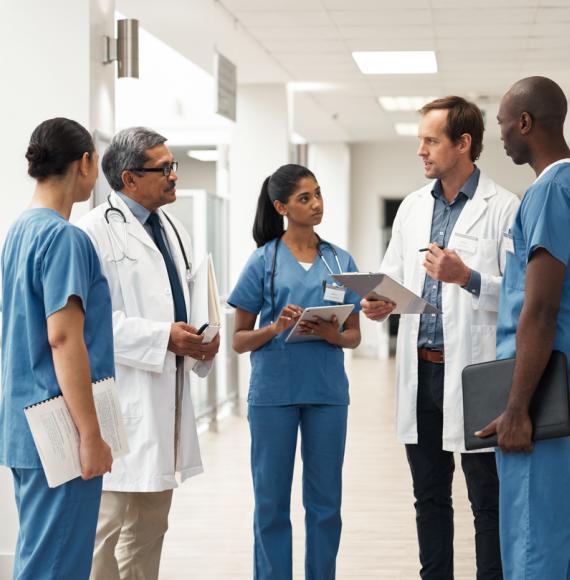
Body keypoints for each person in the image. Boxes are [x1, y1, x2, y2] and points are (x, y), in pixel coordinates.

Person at [361, 97, 520, 579]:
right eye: (420, 141)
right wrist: (379, 302)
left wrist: (467, 276)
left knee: (486, 500)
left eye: (431, 140)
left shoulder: (504, 207)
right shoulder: (412, 208)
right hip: (421, 370)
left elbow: (519, 294)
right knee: (429, 497)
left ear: (463, 143)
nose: (421, 151)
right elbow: (393, 274)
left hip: (476, 374)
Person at [77, 127, 220, 580]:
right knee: (106, 529)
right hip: (120, 400)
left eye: (172, 166)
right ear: (129, 178)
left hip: (165, 398)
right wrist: (162, 338)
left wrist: (203, 341)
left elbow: (188, 298)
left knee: (151, 526)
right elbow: (90, 325)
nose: (174, 176)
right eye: (164, 169)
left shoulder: (173, 228)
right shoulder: (93, 232)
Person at [228, 164, 361, 579]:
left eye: (318, 194)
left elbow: (354, 335)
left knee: (326, 504)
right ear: (282, 206)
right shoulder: (262, 261)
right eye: (305, 198)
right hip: (273, 396)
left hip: (326, 394)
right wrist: (276, 327)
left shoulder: (340, 259)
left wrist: (330, 332)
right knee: (270, 502)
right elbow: (238, 340)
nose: (317, 204)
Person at [0, 117, 114, 579]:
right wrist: (89, 436)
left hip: (24, 423)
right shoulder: (64, 238)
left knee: (40, 557)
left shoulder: (19, 232)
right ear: (85, 163)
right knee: (58, 566)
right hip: (59, 428)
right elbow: (64, 339)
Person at [475, 76, 570, 579]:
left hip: (543, 396)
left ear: (526, 123)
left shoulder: (549, 190)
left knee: (536, 541)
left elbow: (539, 309)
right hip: (559, 383)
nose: (503, 136)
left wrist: (515, 409)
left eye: (504, 125)